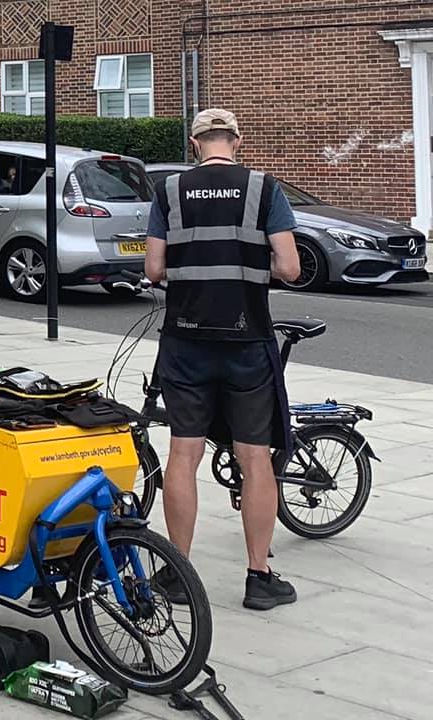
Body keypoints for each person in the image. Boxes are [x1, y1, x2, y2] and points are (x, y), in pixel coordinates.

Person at [143, 109, 301, 611]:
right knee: (255, 459)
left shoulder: (170, 192)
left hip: (185, 340)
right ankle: (259, 576)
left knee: (183, 454)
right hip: (247, 338)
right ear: (236, 139)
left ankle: (178, 576)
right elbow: (292, 268)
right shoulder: (262, 188)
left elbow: (152, 269)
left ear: (194, 143)